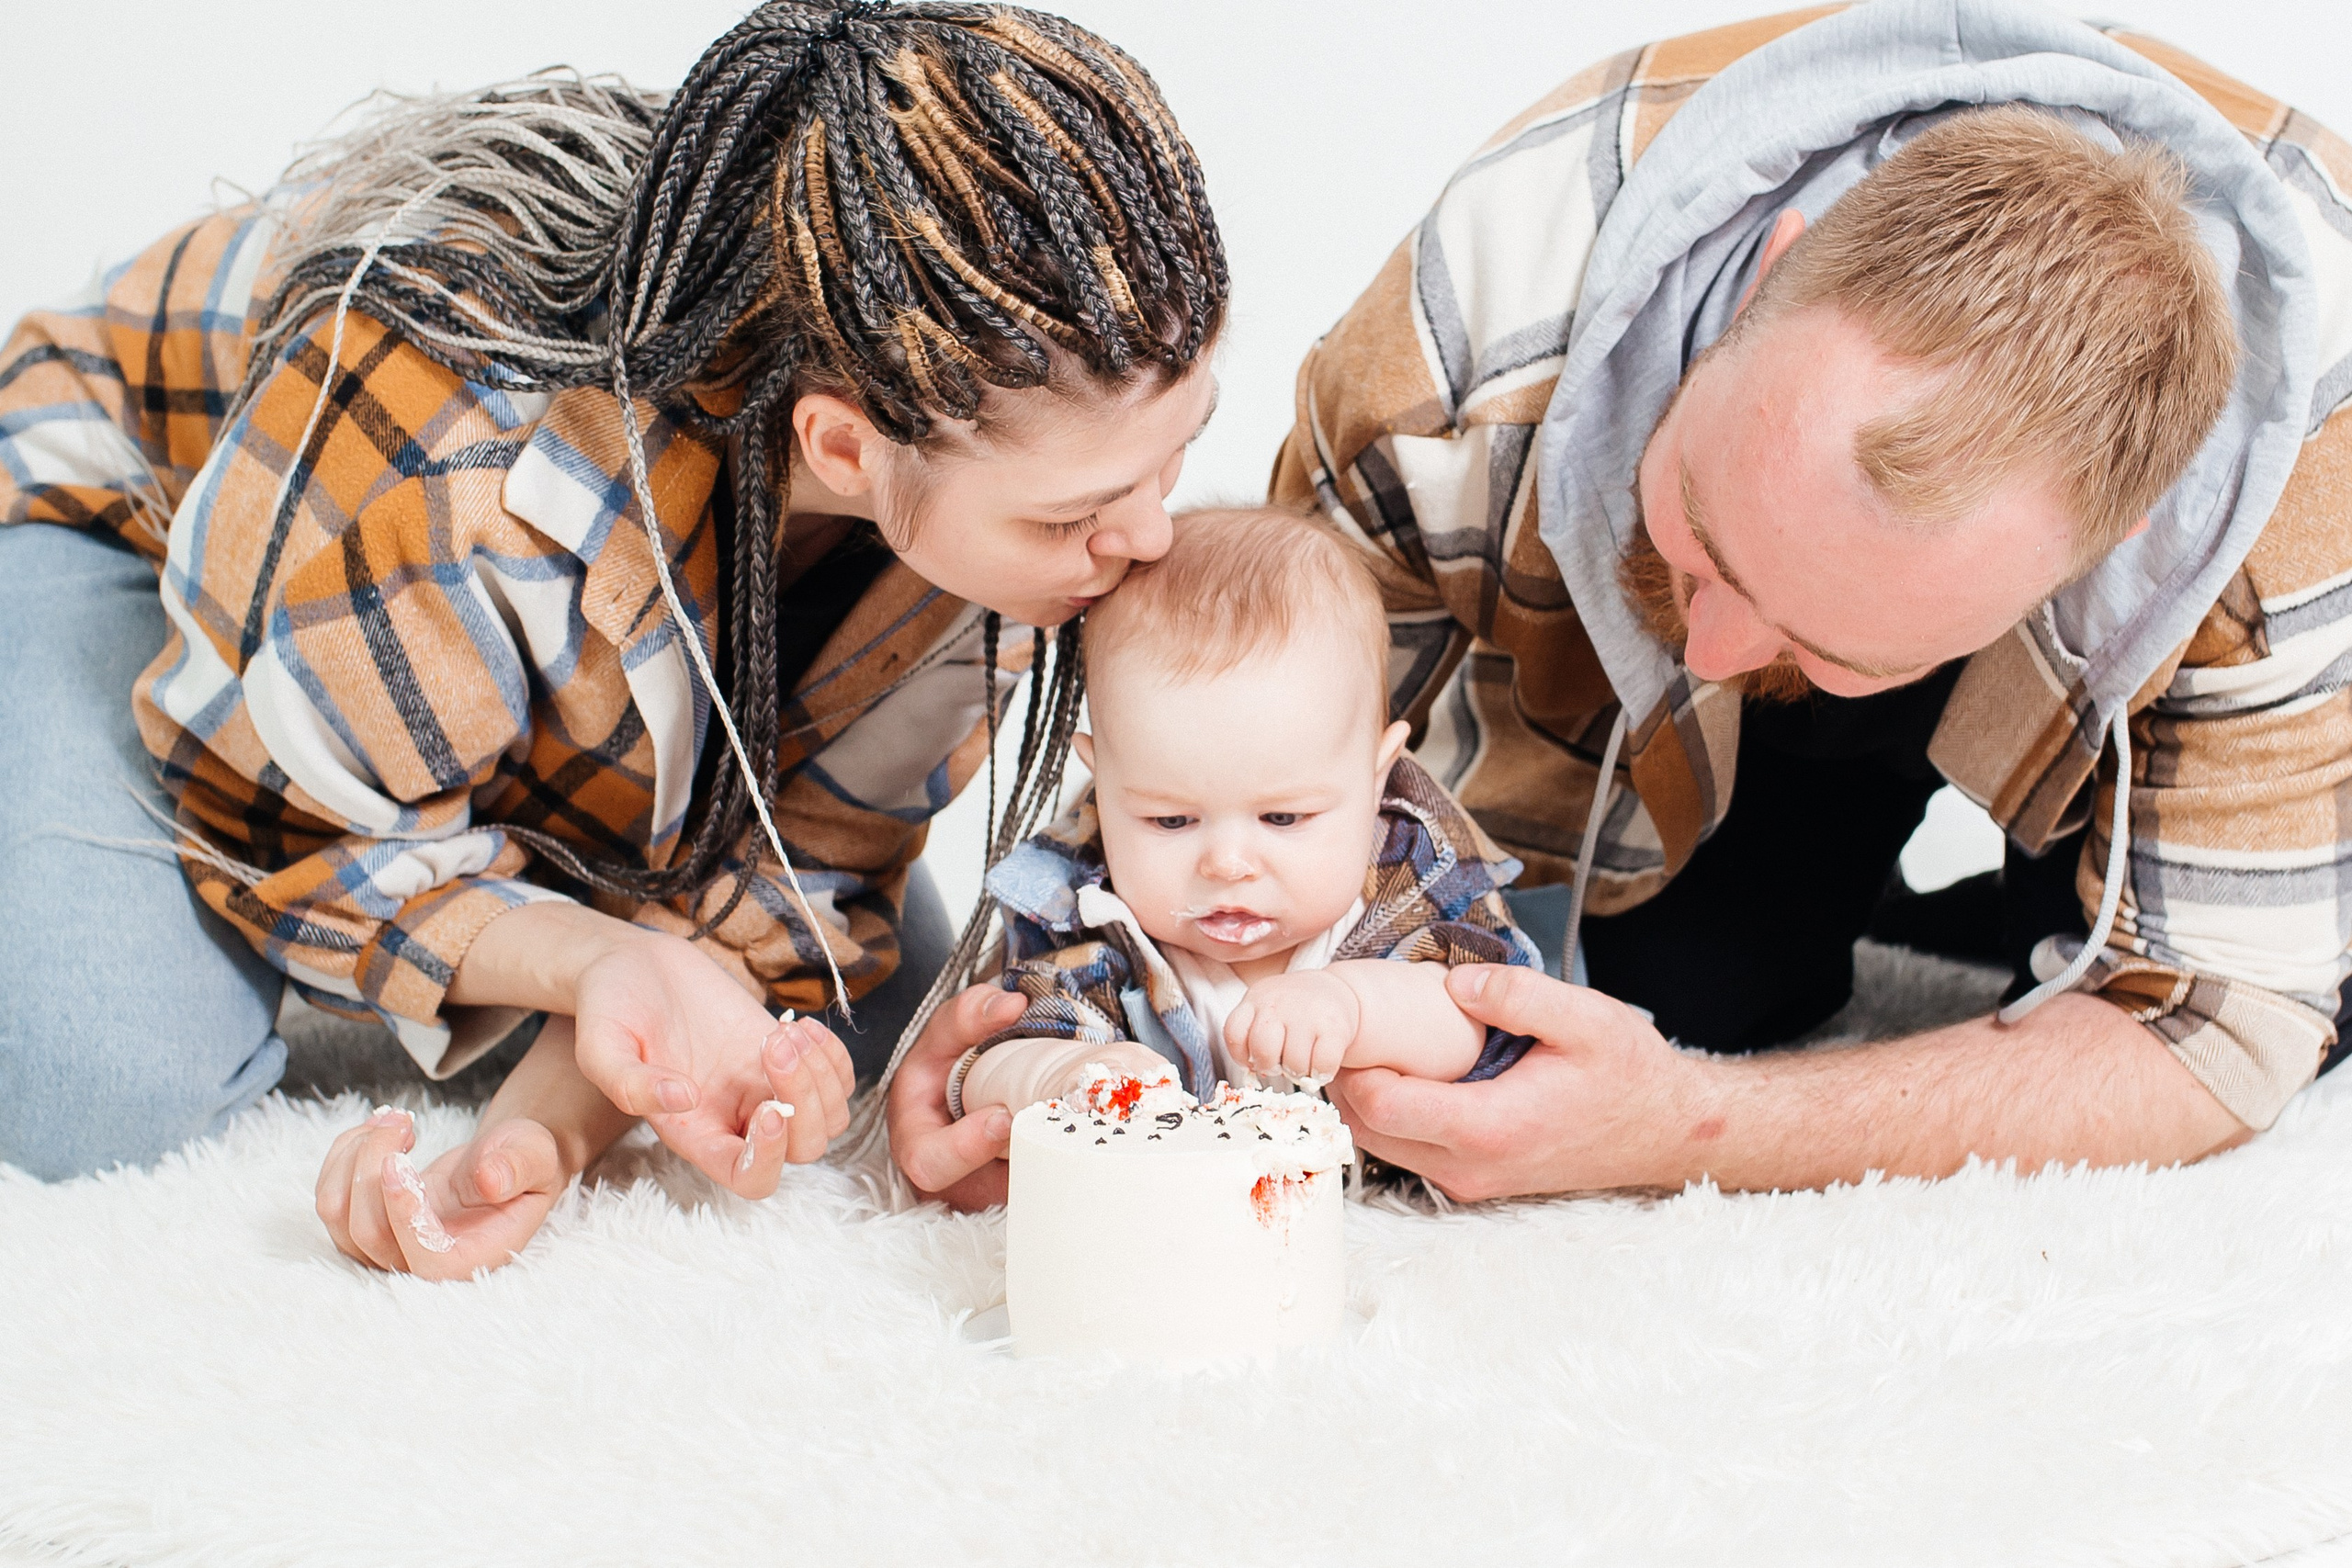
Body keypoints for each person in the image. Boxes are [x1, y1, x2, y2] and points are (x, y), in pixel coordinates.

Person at [888, 0, 2352, 1209]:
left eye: (1825, 638)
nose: (1706, 646)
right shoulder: (1471, 345)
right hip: (1662, 518)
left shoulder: (2299, 495)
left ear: (2110, 548)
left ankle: (2069, 853)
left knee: (2231, 1002)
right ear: (1770, 275)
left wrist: (1686, 1126)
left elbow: (2214, 1034)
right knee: (1698, 983)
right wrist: (1027, 1026)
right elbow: (1230, 730)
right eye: (1700, 530)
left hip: (2208, 676)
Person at [0, 1, 1227, 1276]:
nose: (1148, 536)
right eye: (1074, 514)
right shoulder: (469, 446)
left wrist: (542, 1122)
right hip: (127, 511)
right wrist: (588, 949)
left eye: (1176, 454)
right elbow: (277, 815)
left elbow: (787, 892)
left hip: (475, 604)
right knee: (97, 1084)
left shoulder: (989, 522)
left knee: (863, 1031)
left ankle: (493, 783)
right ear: (844, 446)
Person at [947, 506, 1541, 1122]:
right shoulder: (1090, 920)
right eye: (1171, 821)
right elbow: (984, 1063)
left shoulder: (1410, 882)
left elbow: (1479, 1025)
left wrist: (1352, 1006)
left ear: (1376, 780)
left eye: (1282, 818)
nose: (1227, 865)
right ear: (1104, 785)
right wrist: (1058, 1071)